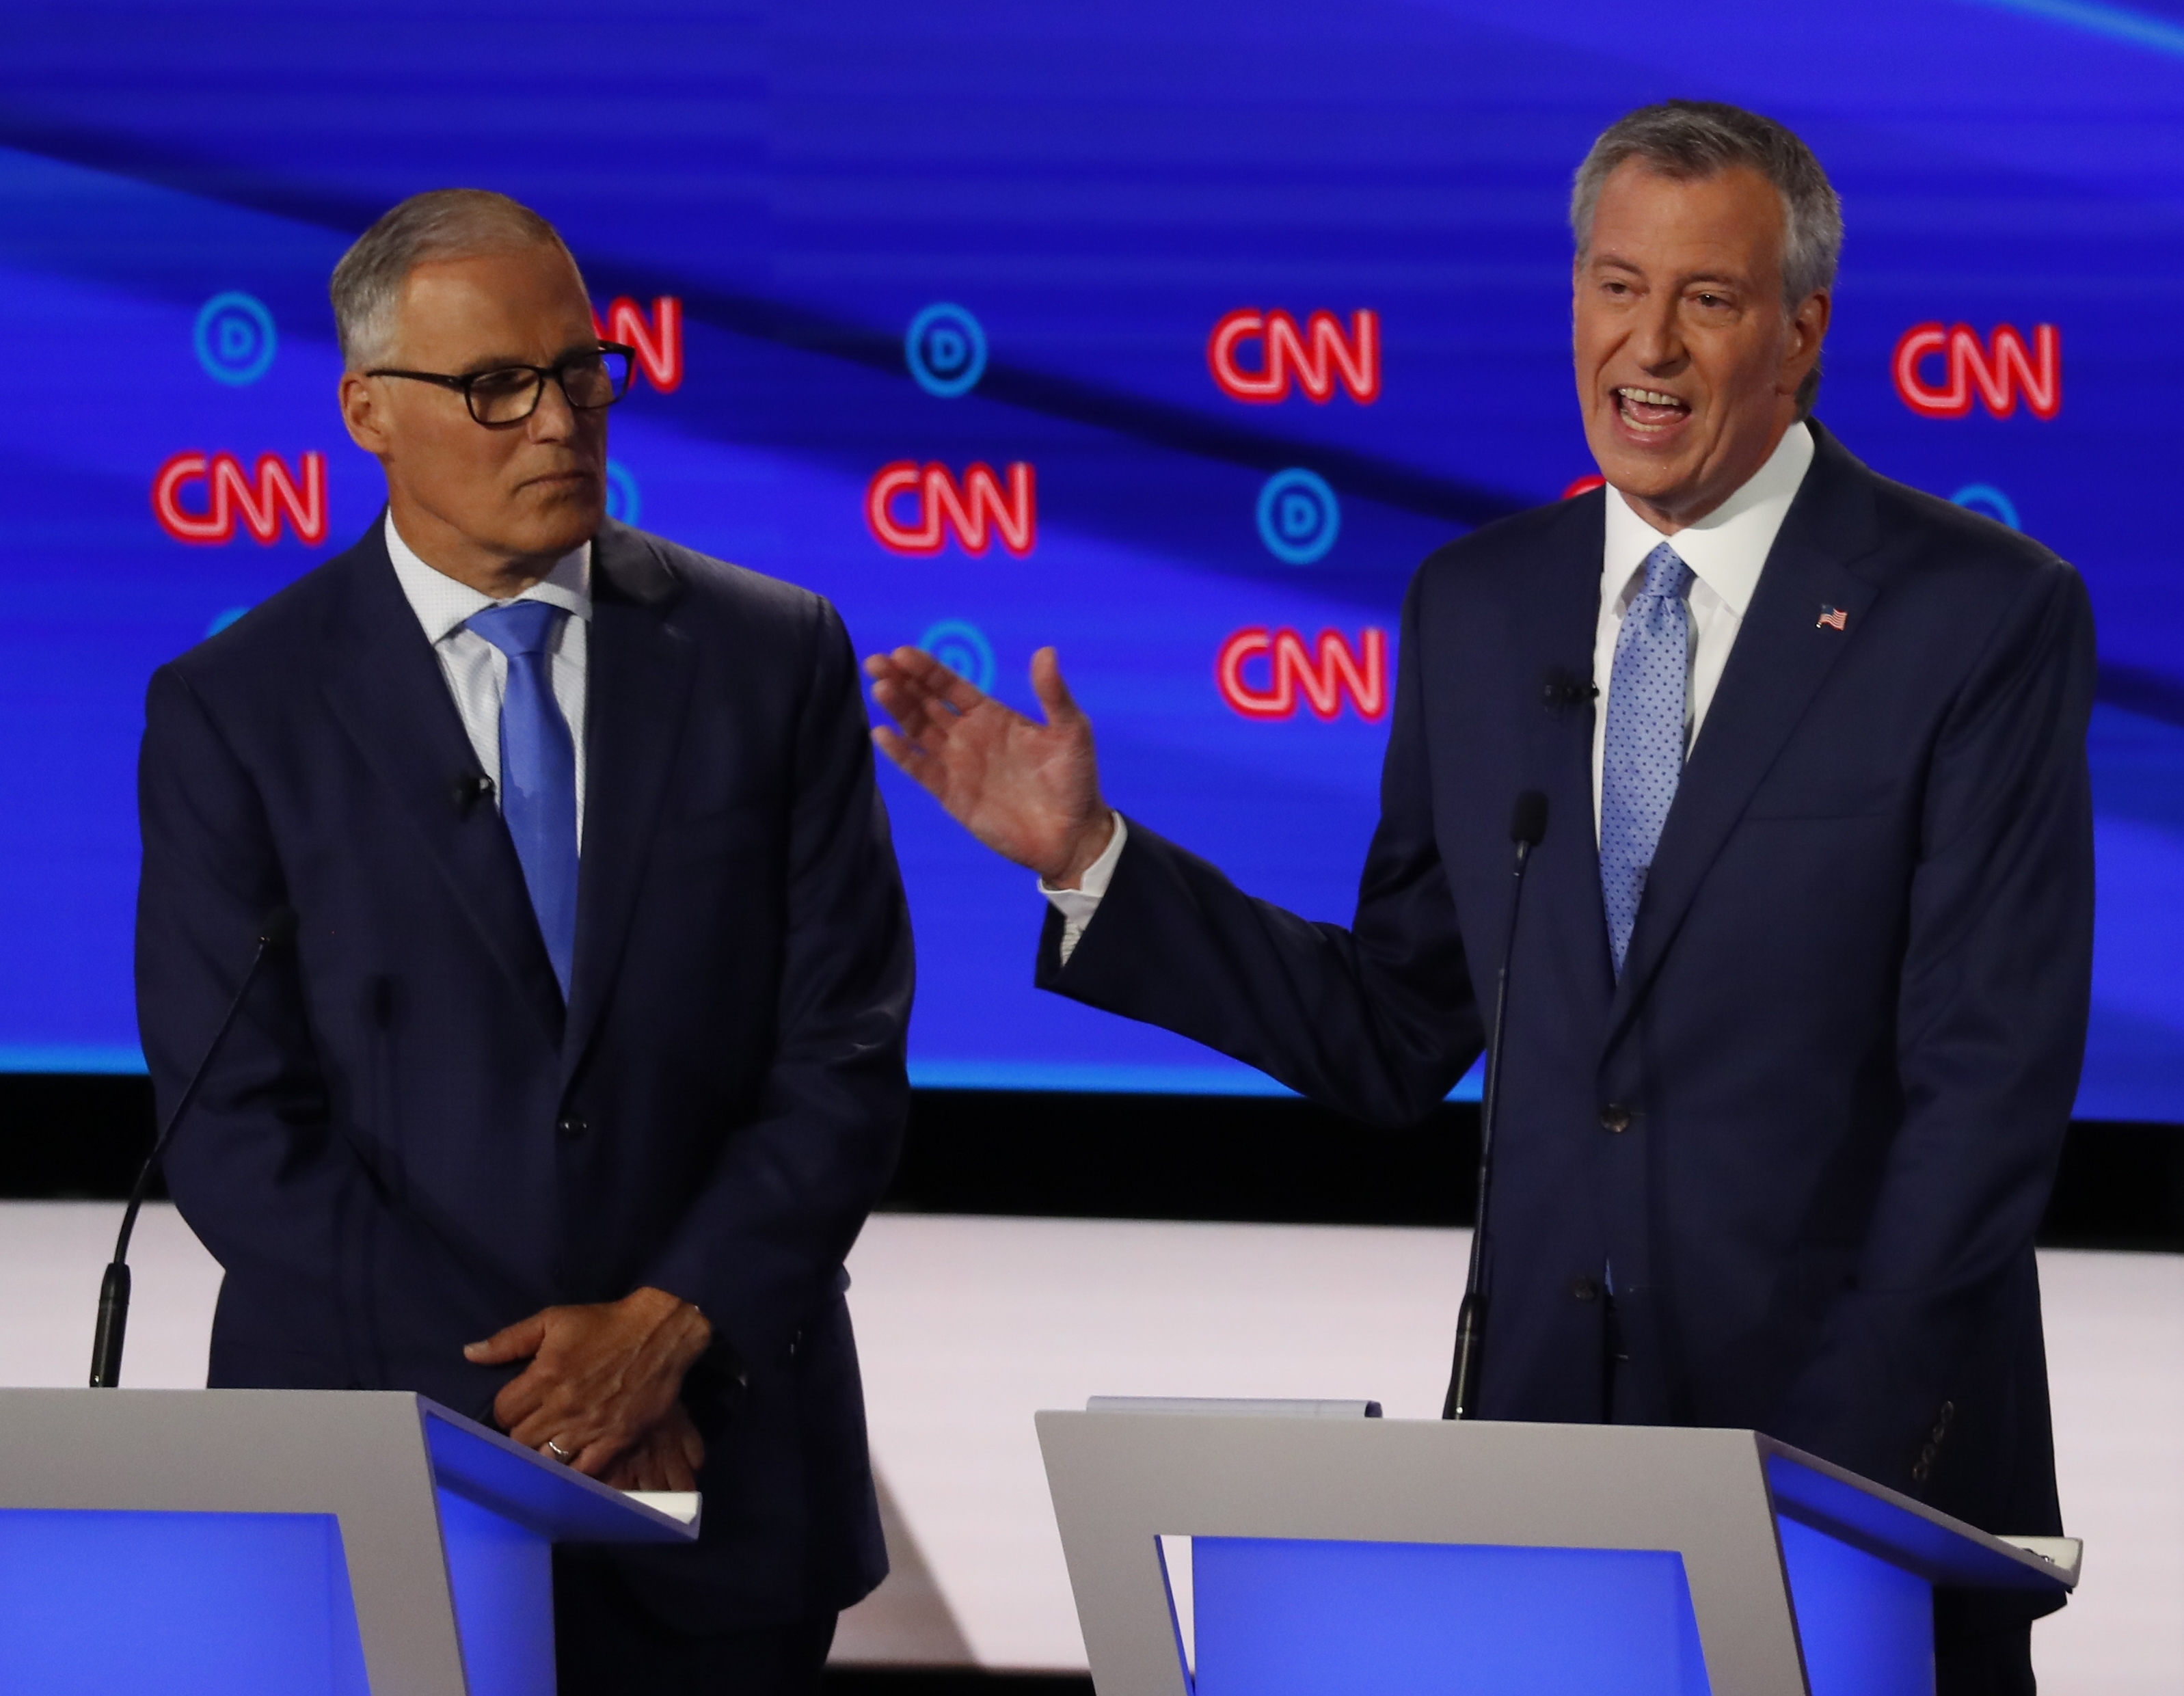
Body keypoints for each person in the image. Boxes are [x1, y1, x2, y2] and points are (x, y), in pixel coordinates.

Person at [865, 102, 2091, 1693]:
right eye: (1611, 285)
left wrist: (1821, 1488)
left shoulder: (1975, 617)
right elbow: (1393, 1024)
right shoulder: (1477, 602)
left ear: (1796, 335)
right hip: (1546, 1485)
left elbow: (1982, 1095)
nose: (1641, 344)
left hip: (1851, 1500)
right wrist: (1090, 859)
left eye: (1702, 301)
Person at [136, 189, 913, 1693]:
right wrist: (560, 1398)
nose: (558, 421)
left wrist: (671, 1326)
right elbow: (236, 1132)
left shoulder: (774, 658)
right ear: (367, 409)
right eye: (495, 385)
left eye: (580, 371)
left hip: (726, 1478)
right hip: (379, 1475)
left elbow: (843, 1058)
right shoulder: (236, 709)